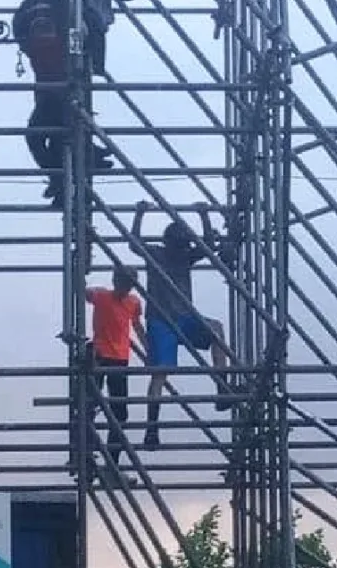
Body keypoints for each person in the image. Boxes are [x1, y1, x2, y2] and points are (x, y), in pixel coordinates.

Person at [13, 0, 146, 207]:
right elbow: (22, 21)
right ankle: (71, 177)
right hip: (60, 78)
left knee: (57, 134)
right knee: (59, 135)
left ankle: (71, 177)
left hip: (69, 71)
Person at [131, 201, 234, 450]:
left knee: (216, 330)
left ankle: (221, 387)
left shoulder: (180, 256)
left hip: (183, 318)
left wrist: (204, 216)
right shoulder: (159, 254)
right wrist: (203, 215)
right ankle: (152, 428)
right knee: (160, 373)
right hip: (160, 321)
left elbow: (208, 246)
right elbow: (133, 243)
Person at [85, 265, 145, 484]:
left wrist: (149, 352)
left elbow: (137, 326)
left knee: (119, 415)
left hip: (120, 359)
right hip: (99, 356)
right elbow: (82, 290)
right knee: (88, 406)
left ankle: (112, 463)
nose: (125, 288)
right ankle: (86, 454)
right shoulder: (101, 295)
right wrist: (79, 269)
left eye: (129, 285)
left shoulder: (134, 302)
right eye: (122, 283)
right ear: (115, 280)